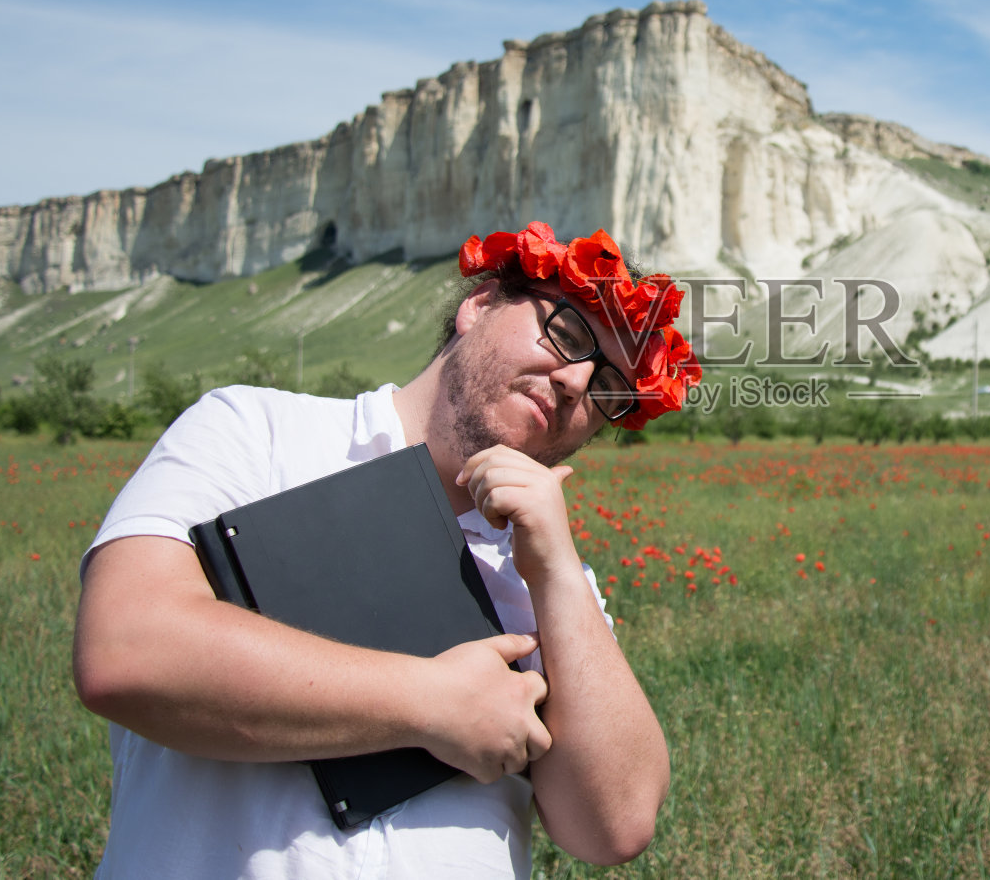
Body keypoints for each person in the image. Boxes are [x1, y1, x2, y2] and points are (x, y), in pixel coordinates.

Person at [73, 222, 700, 879]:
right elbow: (127, 648)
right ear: (479, 303)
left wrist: (559, 570)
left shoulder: (550, 573)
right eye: (568, 333)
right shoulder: (256, 432)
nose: (576, 380)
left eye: (607, 386)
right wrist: (434, 704)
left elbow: (617, 822)